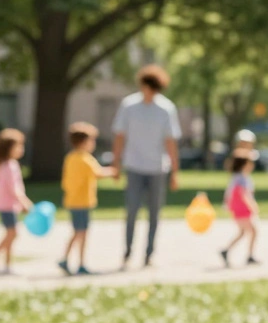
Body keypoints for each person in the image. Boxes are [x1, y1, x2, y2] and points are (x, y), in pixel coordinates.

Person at [111, 65, 181, 269]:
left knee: (154, 214)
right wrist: (116, 164)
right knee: (131, 211)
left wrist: (175, 171)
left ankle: (149, 253)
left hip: (158, 169)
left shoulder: (166, 109)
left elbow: (170, 142)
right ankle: (127, 251)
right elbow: (120, 136)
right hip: (134, 166)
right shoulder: (129, 105)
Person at [60, 122, 113, 275]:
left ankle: (72, 261)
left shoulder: (70, 157)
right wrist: (113, 171)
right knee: (81, 232)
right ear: (84, 142)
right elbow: (99, 173)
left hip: (73, 200)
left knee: (79, 232)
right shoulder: (85, 158)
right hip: (81, 202)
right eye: (92, 140)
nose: (93, 144)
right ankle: (75, 262)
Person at [0, 128, 32, 276]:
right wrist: (25, 202)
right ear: (9, 148)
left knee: (11, 234)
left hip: (8, 205)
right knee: (12, 233)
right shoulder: (9, 165)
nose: (21, 149)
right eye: (18, 146)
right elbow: (14, 189)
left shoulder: (6, 165)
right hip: (7, 206)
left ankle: (7, 265)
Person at [220, 148, 259, 266]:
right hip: (242, 209)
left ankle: (226, 250)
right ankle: (250, 256)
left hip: (238, 209)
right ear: (244, 164)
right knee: (253, 231)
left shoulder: (236, 177)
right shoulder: (241, 178)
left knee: (243, 232)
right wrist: (252, 205)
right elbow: (243, 193)